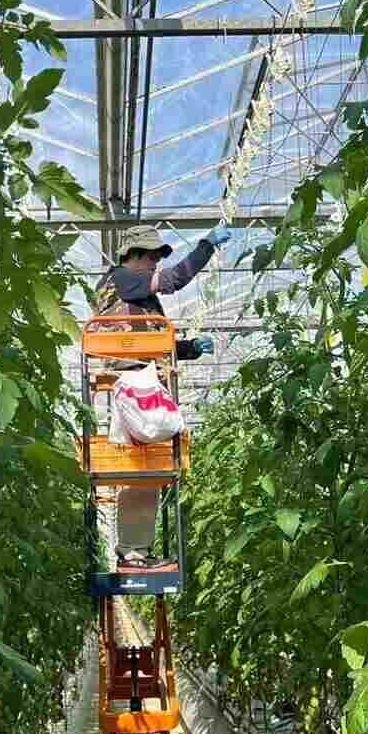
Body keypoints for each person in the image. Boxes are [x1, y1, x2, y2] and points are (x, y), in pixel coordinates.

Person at [93, 222, 232, 569]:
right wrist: (206, 247)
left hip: (141, 376)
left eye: (158, 257)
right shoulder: (121, 279)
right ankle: (131, 550)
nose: (156, 262)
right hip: (133, 380)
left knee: (145, 472)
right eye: (152, 256)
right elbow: (175, 280)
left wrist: (188, 348)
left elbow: (154, 340)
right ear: (133, 255)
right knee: (141, 466)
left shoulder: (138, 296)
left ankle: (134, 549)